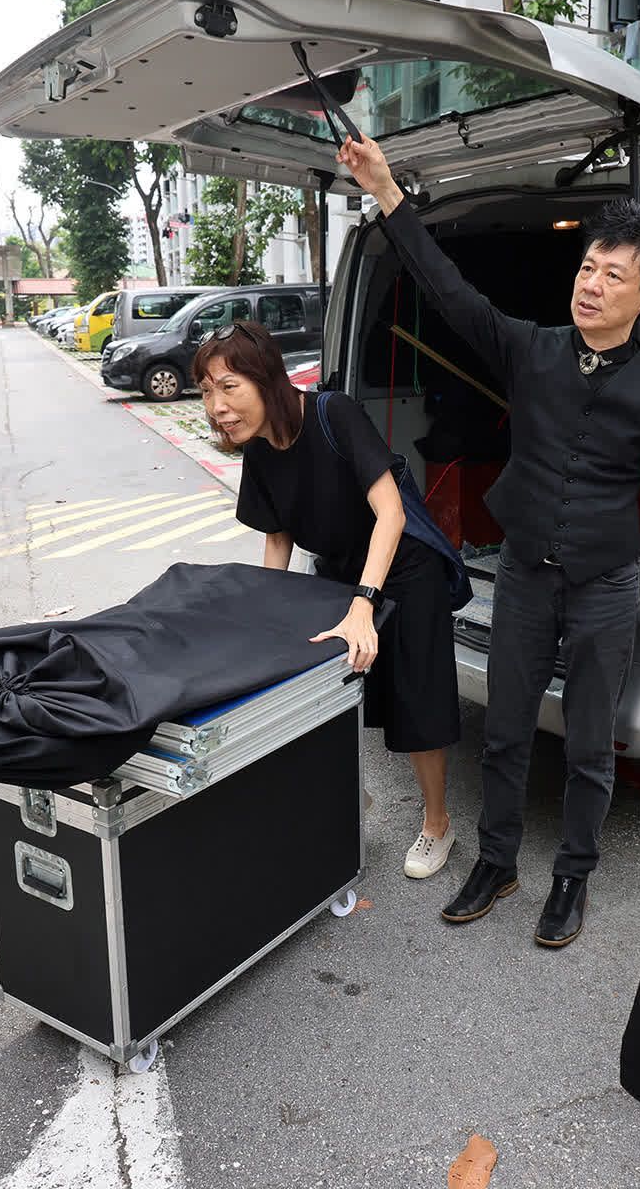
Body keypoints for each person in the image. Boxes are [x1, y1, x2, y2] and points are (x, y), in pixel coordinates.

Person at [336, 136, 640, 950]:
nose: (591, 284)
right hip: (528, 581)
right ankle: (497, 860)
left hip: (607, 588)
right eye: (586, 269)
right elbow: (450, 289)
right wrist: (390, 191)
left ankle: (572, 875)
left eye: (613, 275)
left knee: (589, 743)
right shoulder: (533, 350)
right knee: (503, 732)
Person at [198, 321, 464, 878]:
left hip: (404, 567)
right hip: (340, 573)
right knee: (325, 687)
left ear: (266, 379)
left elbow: (390, 513)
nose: (216, 405)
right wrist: (271, 615)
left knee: (417, 697)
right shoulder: (261, 446)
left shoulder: (332, 412)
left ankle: (437, 823)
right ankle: (347, 797)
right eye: (206, 389)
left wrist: (363, 606)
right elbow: (277, 536)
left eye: (228, 387)